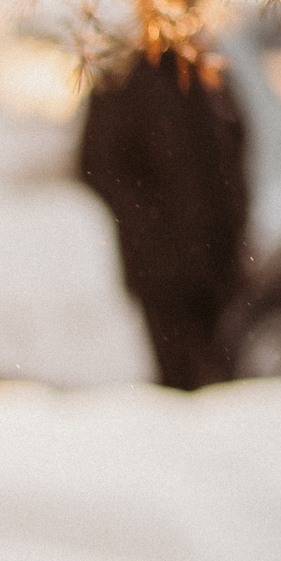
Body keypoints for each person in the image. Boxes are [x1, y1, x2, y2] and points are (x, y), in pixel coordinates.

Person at [77, 51, 251, 390]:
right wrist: (145, 223)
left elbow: (236, 152)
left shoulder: (211, 73)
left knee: (212, 381)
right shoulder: (126, 78)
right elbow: (97, 163)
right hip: (159, 264)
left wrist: (234, 226)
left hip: (215, 259)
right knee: (178, 378)